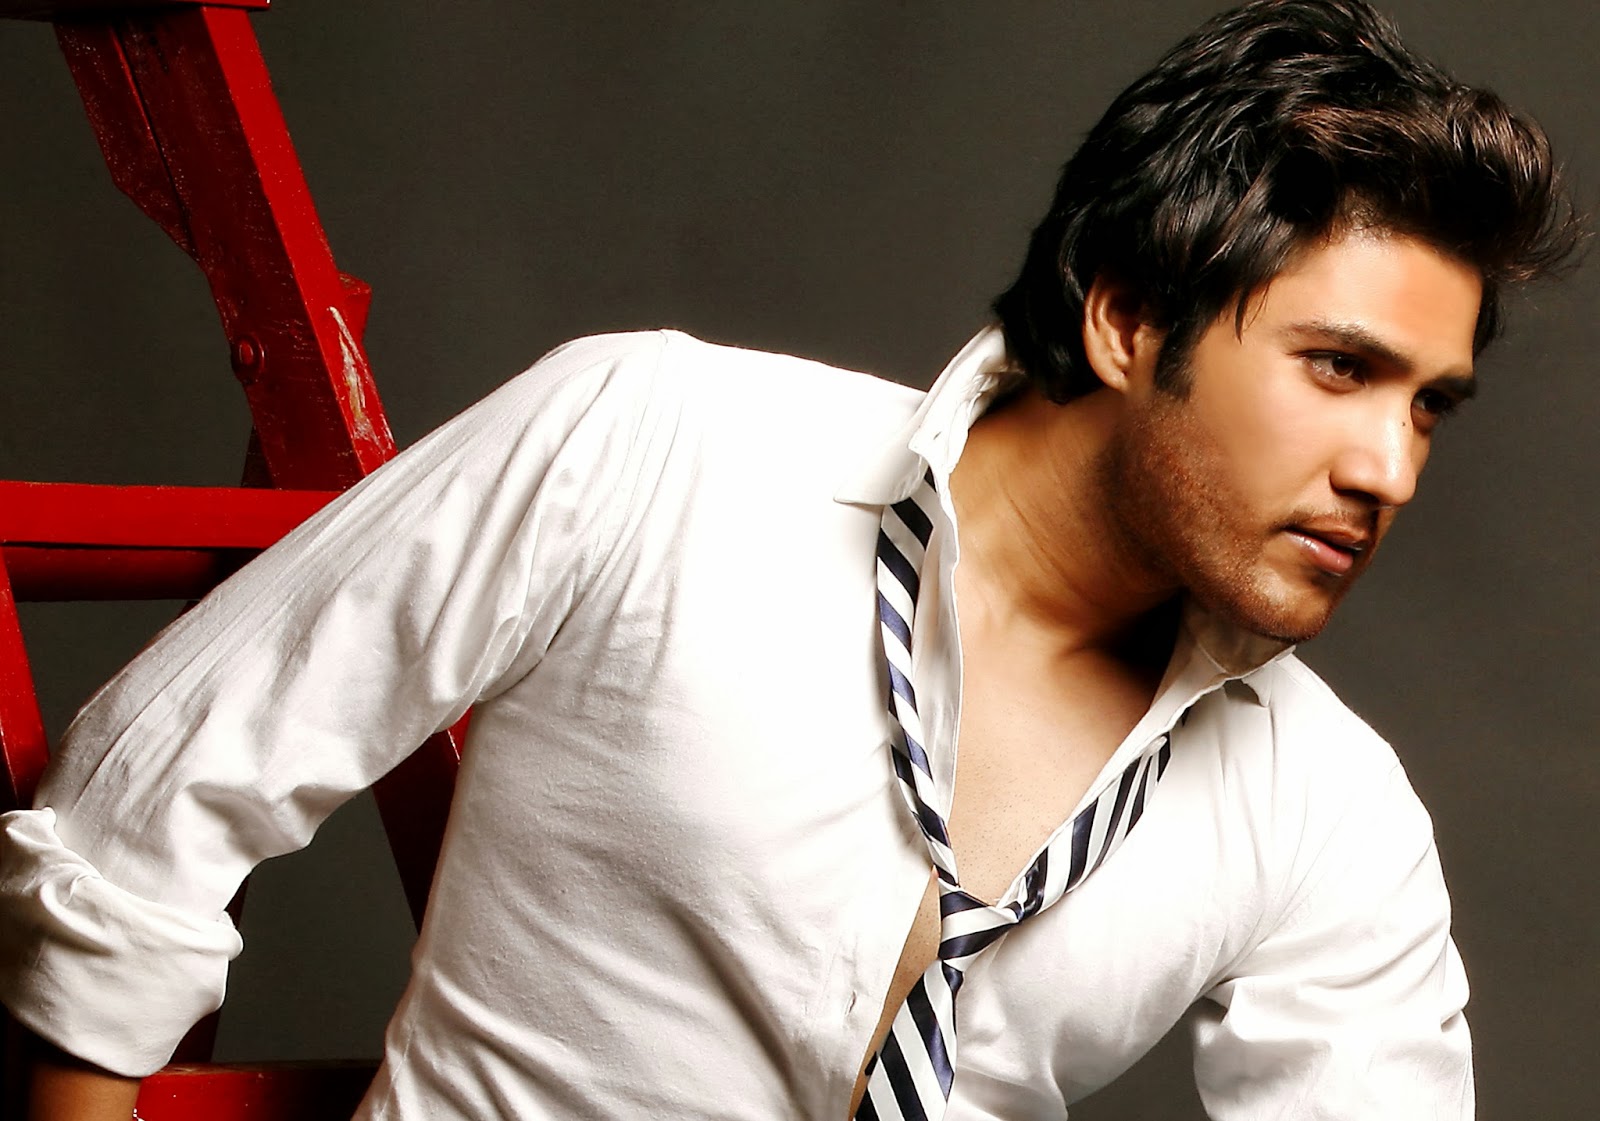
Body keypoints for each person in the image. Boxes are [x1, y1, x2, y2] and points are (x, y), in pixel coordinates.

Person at [0, 0, 1582, 1118]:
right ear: (1127, 318)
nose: (1390, 468)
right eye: (1338, 368)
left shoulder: (1327, 804)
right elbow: (142, 806)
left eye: (1428, 406)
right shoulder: (660, 449)